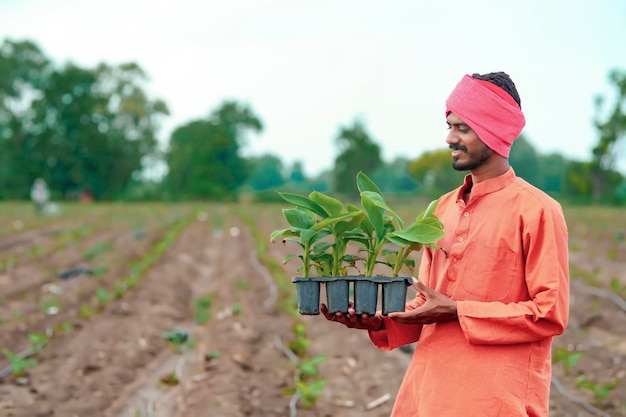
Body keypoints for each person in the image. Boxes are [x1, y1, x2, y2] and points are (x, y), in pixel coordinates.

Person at [321, 71, 570, 417]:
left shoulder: (538, 211)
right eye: (449, 126)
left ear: (494, 130)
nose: (450, 138)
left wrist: (457, 310)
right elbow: (428, 303)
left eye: (462, 128)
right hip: (427, 395)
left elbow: (549, 313)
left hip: (495, 402)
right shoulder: (442, 209)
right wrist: (379, 322)